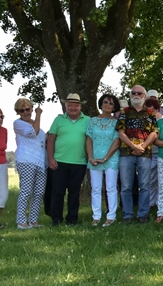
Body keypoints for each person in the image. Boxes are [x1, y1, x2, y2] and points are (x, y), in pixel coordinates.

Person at [116, 86, 159, 224]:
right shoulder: (125, 112)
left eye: (139, 93)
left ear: (144, 96)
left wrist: (142, 146)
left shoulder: (151, 113)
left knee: (145, 185)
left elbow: (154, 133)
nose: (136, 95)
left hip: (145, 153)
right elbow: (121, 133)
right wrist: (134, 146)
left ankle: (142, 214)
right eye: (133, 93)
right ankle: (127, 214)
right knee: (126, 186)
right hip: (126, 152)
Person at [46, 93, 90, 226]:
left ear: (80, 107)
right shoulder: (58, 120)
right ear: (65, 106)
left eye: (75, 105)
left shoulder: (88, 120)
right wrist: (50, 158)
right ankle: (56, 219)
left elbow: (90, 140)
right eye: (70, 105)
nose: (73, 108)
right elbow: (51, 139)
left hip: (79, 162)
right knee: (58, 191)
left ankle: (72, 219)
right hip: (59, 161)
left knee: (74, 192)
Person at [85, 94, 121, 227]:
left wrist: (106, 158)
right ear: (100, 104)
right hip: (94, 158)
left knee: (111, 188)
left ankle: (111, 216)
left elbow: (117, 141)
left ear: (114, 107)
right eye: (105, 102)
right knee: (95, 188)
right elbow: (89, 140)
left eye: (111, 103)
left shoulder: (116, 122)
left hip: (111, 158)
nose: (107, 105)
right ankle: (96, 216)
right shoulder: (92, 121)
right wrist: (90, 157)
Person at [13, 98, 46, 230]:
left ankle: (33, 220)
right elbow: (33, 133)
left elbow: (42, 139)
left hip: (40, 161)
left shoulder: (35, 123)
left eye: (28, 109)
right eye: (22, 110)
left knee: (39, 192)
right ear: (18, 112)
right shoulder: (18, 123)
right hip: (26, 160)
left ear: (31, 108)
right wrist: (38, 114)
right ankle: (21, 221)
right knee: (26, 191)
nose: (25, 112)